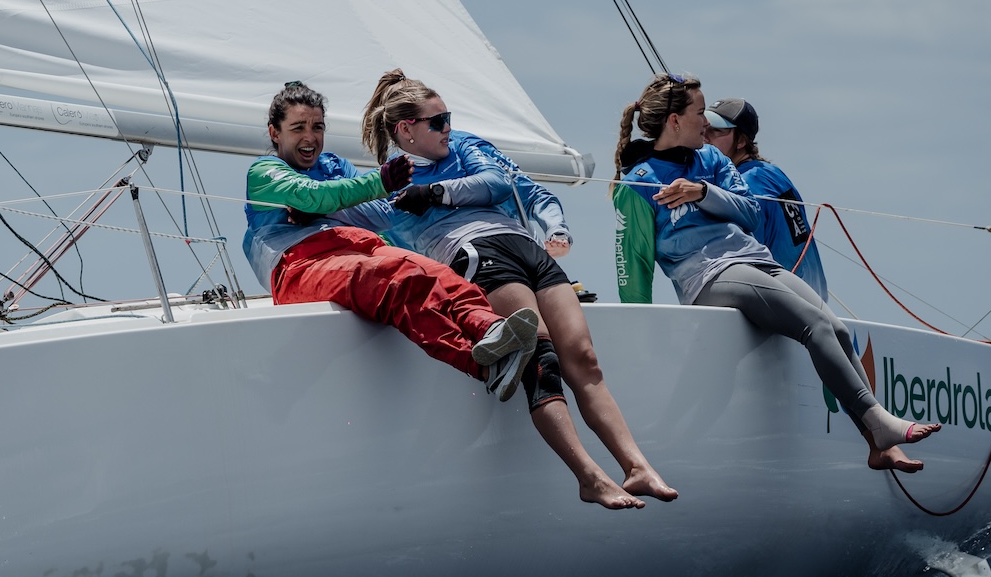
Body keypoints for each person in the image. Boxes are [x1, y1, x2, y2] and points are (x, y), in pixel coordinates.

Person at [350, 70, 676, 510]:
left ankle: (637, 466)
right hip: (476, 256)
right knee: (541, 360)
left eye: (448, 116)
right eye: (437, 122)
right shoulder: (392, 187)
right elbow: (348, 215)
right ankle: (589, 476)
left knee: (583, 356)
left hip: (525, 249)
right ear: (405, 130)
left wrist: (435, 192)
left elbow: (499, 183)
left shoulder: (463, 146)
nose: (448, 127)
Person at [615, 72, 940, 472]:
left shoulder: (712, 160)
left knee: (836, 329)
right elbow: (635, 264)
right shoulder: (637, 184)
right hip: (708, 276)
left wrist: (702, 192)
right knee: (814, 327)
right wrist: (641, 333)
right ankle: (880, 422)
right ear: (674, 120)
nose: (706, 122)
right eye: (701, 113)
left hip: (753, 260)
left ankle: (878, 445)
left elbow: (751, 212)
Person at [244, 81, 542, 399]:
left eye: (317, 127)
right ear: (275, 133)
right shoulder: (264, 172)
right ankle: (482, 366)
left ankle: (491, 329)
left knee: (441, 275)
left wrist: (336, 206)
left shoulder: (334, 166)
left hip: (358, 246)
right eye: (298, 128)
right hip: (299, 264)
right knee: (397, 280)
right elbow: (314, 195)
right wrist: (378, 181)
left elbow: (382, 214)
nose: (310, 137)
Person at [704, 97, 828, 299]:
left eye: (717, 131)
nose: (705, 137)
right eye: (705, 128)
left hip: (788, 308)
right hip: (814, 300)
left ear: (741, 141)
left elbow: (743, 261)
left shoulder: (744, 186)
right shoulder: (771, 172)